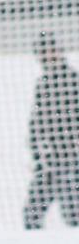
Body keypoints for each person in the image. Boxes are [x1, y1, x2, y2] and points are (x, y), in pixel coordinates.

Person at [24, 32, 79, 228]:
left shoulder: (72, 80)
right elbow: (38, 120)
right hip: (49, 159)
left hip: (70, 157)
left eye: (51, 51)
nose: (48, 56)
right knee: (32, 214)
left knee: (73, 212)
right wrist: (37, 150)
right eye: (43, 53)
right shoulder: (43, 83)